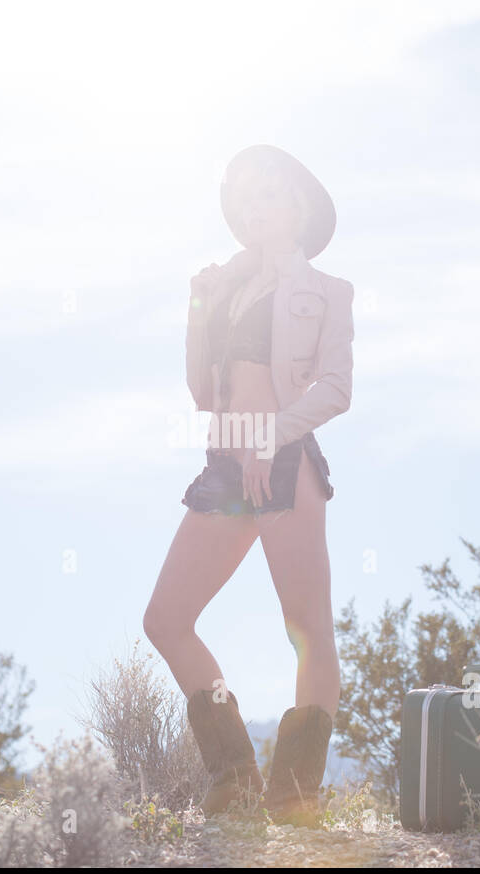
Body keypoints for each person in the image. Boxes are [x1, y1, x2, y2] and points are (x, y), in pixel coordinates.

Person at [143, 144, 356, 826]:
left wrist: (275, 435)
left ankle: (295, 795)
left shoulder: (327, 292)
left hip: (286, 461)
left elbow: (337, 389)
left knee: (308, 631)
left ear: (295, 204)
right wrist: (198, 306)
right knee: (166, 619)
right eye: (246, 200)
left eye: (268, 195)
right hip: (227, 467)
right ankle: (234, 777)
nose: (255, 209)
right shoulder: (228, 287)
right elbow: (204, 392)